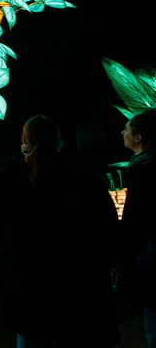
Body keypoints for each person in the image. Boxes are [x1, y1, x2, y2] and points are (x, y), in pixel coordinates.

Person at [0, 114, 120, 348]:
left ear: (24, 139)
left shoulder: (2, 174)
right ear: (59, 140)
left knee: (32, 337)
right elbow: (106, 226)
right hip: (79, 284)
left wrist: (3, 260)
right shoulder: (82, 176)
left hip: (25, 283)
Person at [116, 108, 156, 347]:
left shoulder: (143, 170)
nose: (122, 132)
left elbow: (135, 218)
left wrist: (123, 255)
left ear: (138, 137)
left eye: (127, 128)